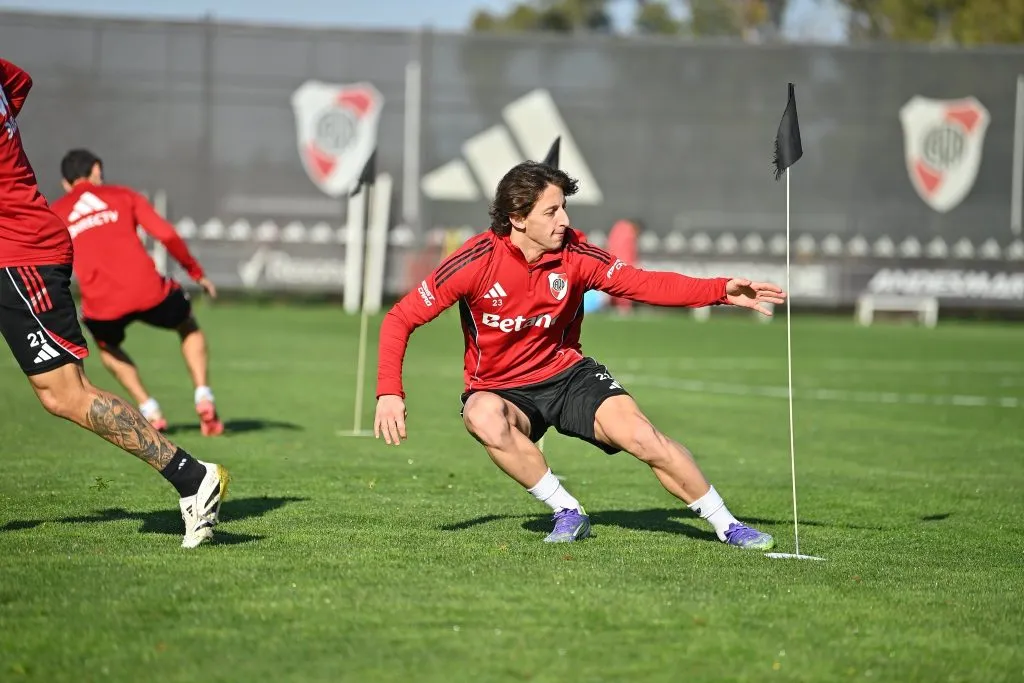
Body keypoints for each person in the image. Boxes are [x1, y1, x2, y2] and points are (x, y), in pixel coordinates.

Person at [373, 160, 786, 548]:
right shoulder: (474, 261)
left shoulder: (576, 255)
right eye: (552, 211)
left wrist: (719, 291)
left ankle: (727, 524)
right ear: (517, 218)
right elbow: (400, 318)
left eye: (564, 208)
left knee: (643, 437)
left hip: (568, 377)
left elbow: (645, 284)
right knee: (481, 414)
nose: (565, 220)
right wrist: (390, 392)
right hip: (501, 390)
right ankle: (567, 510)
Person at [0, 58, 228, 548]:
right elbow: (19, 81)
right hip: (31, 252)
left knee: (65, 393)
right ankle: (197, 408)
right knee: (177, 329)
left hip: (20, 255)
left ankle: (191, 476)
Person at [50, 149, 225, 437]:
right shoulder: (121, 195)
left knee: (107, 346)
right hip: (149, 291)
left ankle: (149, 409)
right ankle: (203, 396)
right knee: (188, 325)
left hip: (102, 305)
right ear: (96, 170)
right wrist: (196, 273)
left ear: (66, 184)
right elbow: (166, 235)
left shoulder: (56, 213)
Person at [605, 218, 640, 316]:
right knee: (624, 286)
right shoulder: (629, 233)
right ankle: (624, 307)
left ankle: (612, 305)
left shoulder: (618, 228)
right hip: (622, 265)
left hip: (611, 263)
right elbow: (629, 253)